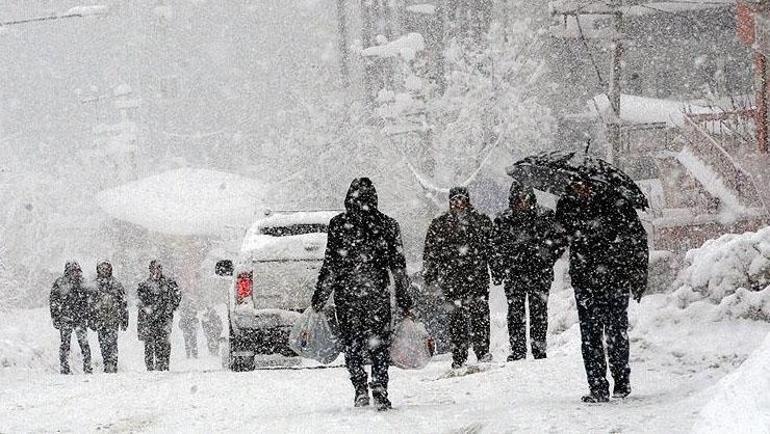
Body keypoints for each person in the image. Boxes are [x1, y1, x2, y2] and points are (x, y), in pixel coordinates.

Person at [311, 177, 413, 411]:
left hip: (347, 296)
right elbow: (398, 267)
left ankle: (359, 388)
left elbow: (331, 265)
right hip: (376, 294)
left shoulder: (338, 224)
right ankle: (380, 387)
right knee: (379, 345)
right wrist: (405, 299)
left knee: (353, 343)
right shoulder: (388, 224)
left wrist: (320, 296)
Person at [556, 178, 648, 403]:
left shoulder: (616, 203)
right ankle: (597, 386)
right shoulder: (567, 206)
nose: (581, 190)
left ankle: (621, 382)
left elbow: (636, 239)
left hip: (614, 278)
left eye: (584, 185)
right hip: (585, 281)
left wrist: (637, 275)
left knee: (616, 332)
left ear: (595, 184)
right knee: (590, 336)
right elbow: (557, 238)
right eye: (576, 186)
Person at [423, 186, 494, 369]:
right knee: (456, 320)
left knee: (480, 316)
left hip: (476, 277)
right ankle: (459, 356)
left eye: (461, 199)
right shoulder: (440, 224)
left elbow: (492, 249)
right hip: (452, 280)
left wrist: (497, 271)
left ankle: (482, 351)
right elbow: (431, 253)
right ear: (450, 202)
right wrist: (430, 276)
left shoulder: (481, 221)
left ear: (468, 200)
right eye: (454, 200)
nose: (458, 203)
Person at [492, 183, 564, 361]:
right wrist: (500, 269)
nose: (522, 202)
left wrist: (547, 258)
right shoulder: (503, 220)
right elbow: (494, 247)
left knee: (539, 312)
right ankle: (518, 350)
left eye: (525, 198)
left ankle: (538, 349)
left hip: (539, 273)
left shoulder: (545, 216)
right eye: (518, 198)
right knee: (515, 313)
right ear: (512, 200)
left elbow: (559, 241)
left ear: (531, 198)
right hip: (514, 273)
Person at [137, 260, 181, 371]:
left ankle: (163, 365)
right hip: (149, 319)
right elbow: (140, 302)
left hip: (164, 318)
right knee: (149, 343)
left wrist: (171, 306)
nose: (156, 271)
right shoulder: (144, 285)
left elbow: (177, 295)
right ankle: (150, 366)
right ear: (150, 270)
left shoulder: (169, 283)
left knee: (164, 343)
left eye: (158, 269)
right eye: (153, 269)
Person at [50, 261, 93, 374]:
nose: (75, 273)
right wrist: (55, 317)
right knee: (65, 344)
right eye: (73, 270)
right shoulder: (60, 283)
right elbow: (53, 301)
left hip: (80, 318)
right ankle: (64, 368)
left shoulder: (83, 283)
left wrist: (89, 315)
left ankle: (88, 367)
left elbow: (90, 301)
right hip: (66, 318)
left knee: (84, 344)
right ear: (68, 271)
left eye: (77, 270)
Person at [90, 261, 128, 373]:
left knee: (112, 343)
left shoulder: (116, 284)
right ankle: (106, 363)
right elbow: (89, 304)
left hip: (113, 320)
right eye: (102, 268)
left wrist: (124, 319)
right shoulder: (94, 285)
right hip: (99, 320)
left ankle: (113, 365)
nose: (104, 270)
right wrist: (91, 319)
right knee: (103, 344)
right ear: (98, 269)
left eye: (106, 268)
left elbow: (123, 303)